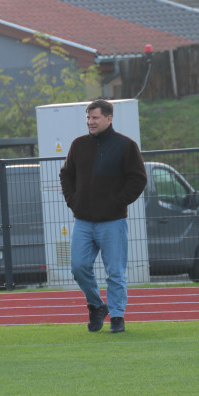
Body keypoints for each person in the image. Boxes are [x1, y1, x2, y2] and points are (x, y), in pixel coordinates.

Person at [60, 99, 147, 334]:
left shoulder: (125, 146)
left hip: (113, 222)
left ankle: (117, 316)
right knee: (78, 267)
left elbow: (138, 179)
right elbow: (66, 175)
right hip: (83, 221)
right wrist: (73, 201)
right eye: (88, 118)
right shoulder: (78, 145)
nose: (90, 122)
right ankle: (97, 305)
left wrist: (117, 202)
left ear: (109, 118)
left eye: (95, 118)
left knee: (115, 272)